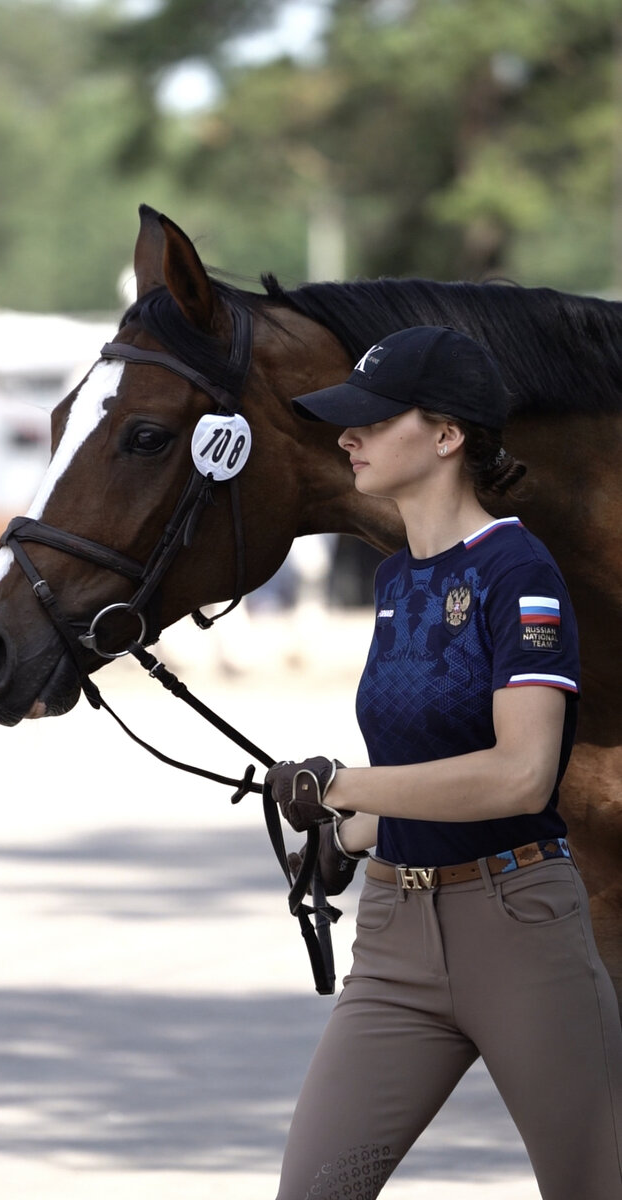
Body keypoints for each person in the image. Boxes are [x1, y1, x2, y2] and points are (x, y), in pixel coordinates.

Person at [265, 325, 622, 1199]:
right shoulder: (396, 581)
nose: (346, 436)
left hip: (520, 935)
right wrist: (347, 827)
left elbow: (519, 777)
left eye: (371, 421)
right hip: (395, 942)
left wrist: (339, 782)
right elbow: (431, 779)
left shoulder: (520, 576)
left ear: (447, 434)